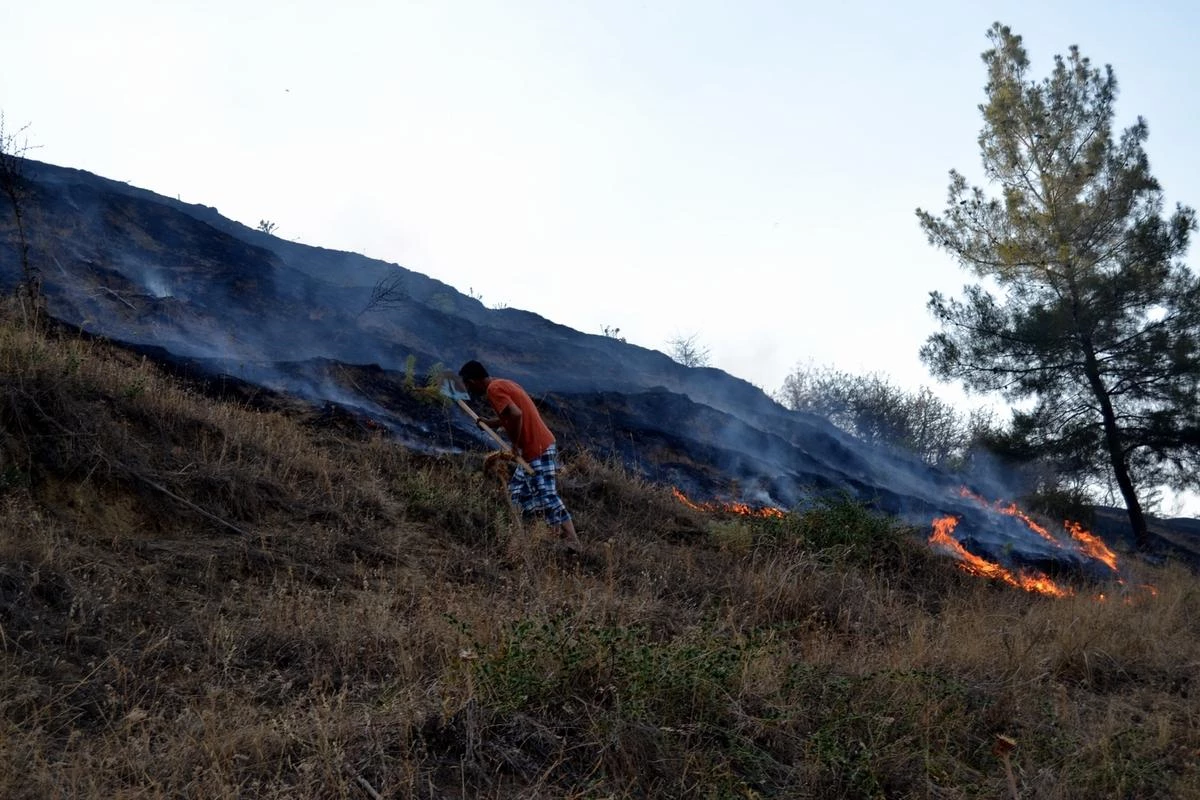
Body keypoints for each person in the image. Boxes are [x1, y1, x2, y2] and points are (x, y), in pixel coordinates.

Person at [458, 360, 582, 551]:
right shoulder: (503, 383)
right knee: (518, 491)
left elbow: (516, 415)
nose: (468, 389)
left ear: (473, 381)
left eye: (467, 384)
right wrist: (491, 423)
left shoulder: (494, 389)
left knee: (547, 494)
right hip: (536, 447)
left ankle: (573, 540)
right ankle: (532, 536)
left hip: (537, 448)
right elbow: (509, 414)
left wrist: (515, 445)